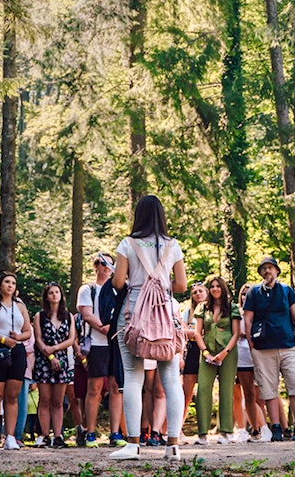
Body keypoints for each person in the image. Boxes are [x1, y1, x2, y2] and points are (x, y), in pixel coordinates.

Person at [110, 194, 187, 461]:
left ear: (138, 215)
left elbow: (118, 283)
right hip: (165, 315)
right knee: (170, 380)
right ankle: (173, 444)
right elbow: (181, 286)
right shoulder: (173, 245)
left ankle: (132, 444)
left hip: (134, 315)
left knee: (133, 376)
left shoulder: (127, 243)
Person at [242, 256, 295, 442]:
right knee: (268, 389)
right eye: (264, 268)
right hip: (263, 348)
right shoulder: (253, 293)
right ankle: (276, 427)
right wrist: (252, 346)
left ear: (276, 271)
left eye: (270, 268)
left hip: (289, 346)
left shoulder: (287, 290)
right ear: (260, 272)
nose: (267, 271)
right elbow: (248, 319)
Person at [0, 272, 33, 451]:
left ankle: (10, 437)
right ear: (0, 285)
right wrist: (3, 340)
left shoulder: (20, 306)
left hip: (17, 351)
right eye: (7, 282)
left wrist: (19, 337)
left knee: (12, 397)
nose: (10, 285)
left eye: (13, 283)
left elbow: (28, 331)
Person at [76, 253, 125, 448]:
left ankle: (115, 433)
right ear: (95, 266)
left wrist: (114, 330)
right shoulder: (87, 289)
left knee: (116, 388)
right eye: (102, 263)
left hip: (116, 344)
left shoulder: (118, 289)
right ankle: (90, 433)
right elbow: (86, 314)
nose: (106, 267)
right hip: (97, 344)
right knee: (94, 388)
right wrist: (104, 328)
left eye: (110, 264)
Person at [193, 275, 241, 445]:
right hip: (207, 351)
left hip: (227, 352)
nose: (214, 289)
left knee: (226, 390)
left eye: (217, 286)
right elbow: (197, 332)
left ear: (223, 288)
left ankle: (226, 431)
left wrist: (224, 352)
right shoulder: (202, 308)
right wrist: (205, 352)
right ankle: (202, 434)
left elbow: (236, 333)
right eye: (212, 286)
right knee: (203, 389)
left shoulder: (232, 307)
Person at [32, 282, 77, 447]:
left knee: (58, 401)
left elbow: (71, 339)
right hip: (44, 360)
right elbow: (38, 339)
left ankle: (58, 435)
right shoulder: (40, 316)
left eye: (57, 292)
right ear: (46, 296)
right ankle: (44, 434)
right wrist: (50, 356)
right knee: (44, 399)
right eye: (51, 292)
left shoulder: (68, 316)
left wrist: (56, 349)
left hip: (62, 360)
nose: (54, 295)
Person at [234, 283, 264, 442]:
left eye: (249, 294)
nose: (246, 296)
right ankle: (249, 429)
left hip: (259, 354)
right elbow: (236, 333)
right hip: (241, 356)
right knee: (247, 394)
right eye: (243, 294)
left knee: (260, 396)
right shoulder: (236, 312)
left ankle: (264, 428)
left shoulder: (261, 311)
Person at [181, 282, 207, 425]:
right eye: (195, 292)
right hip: (191, 351)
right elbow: (183, 332)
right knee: (186, 394)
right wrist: (198, 334)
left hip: (209, 351)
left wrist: (194, 333)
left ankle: (205, 430)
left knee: (205, 393)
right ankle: (177, 429)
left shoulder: (212, 310)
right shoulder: (187, 312)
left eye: (200, 291)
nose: (197, 294)